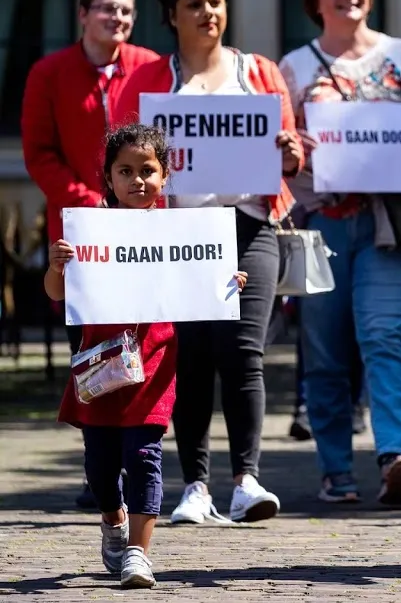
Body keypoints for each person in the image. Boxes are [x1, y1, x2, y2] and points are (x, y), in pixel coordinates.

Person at [112, 0, 304, 524]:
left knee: (245, 352)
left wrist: (289, 151)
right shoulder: (148, 79)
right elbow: (123, 159)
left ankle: (246, 480)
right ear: (172, 16)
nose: (208, 13)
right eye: (194, 4)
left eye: (216, 2)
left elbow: (290, 158)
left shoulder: (260, 73)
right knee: (190, 356)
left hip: (249, 226)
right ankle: (195, 486)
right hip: (178, 232)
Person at [45, 123, 244, 587]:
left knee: (144, 454)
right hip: (99, 363)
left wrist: (225, 284)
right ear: (108, 178)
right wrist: (57, 268)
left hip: (154, 362)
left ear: (164, 175)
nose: (137, 180)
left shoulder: (179, 231)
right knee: (99, 465)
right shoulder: (91, 229)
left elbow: (204, 283)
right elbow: (57, 292)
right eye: (125, 171)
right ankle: (113, 522)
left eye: (147, 170)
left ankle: (138, 552)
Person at [278, 0, 401, 505]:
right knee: (324, 351)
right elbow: (278, 149)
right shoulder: (293, 67)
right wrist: (297, 151)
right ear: (316, 0)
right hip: (321, 226)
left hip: (393, 223)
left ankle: (395, 454)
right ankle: (336, 469)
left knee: (385, 336)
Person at [21, 0, 160, 510]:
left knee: (146, 338)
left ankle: (138, 452)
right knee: (94, 346)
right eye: (107, 10)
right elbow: (38, 152)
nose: (118, 20)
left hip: (145, 230)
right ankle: (99, 467)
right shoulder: (49, 72)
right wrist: (88, 198)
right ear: (83, 14)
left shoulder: (149, 66)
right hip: (83, 234)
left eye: (126, 11)